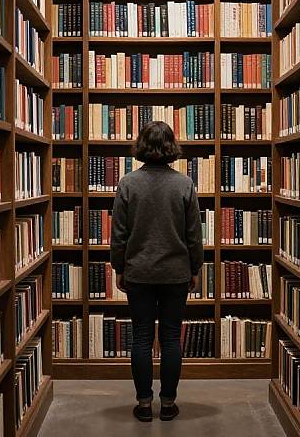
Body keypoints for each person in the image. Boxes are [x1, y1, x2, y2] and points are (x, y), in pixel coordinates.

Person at [110, 121, 204, 423]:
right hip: (176, 273)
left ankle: (142, 402)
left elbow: (119, 235)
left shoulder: (127, 184)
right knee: (171, 338)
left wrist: (119, 267)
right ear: (170, 147)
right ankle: (167, 403)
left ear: (141, 146)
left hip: (138, 272)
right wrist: (195, 268)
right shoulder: (184, 184)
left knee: (141, 338)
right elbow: (194, 235)